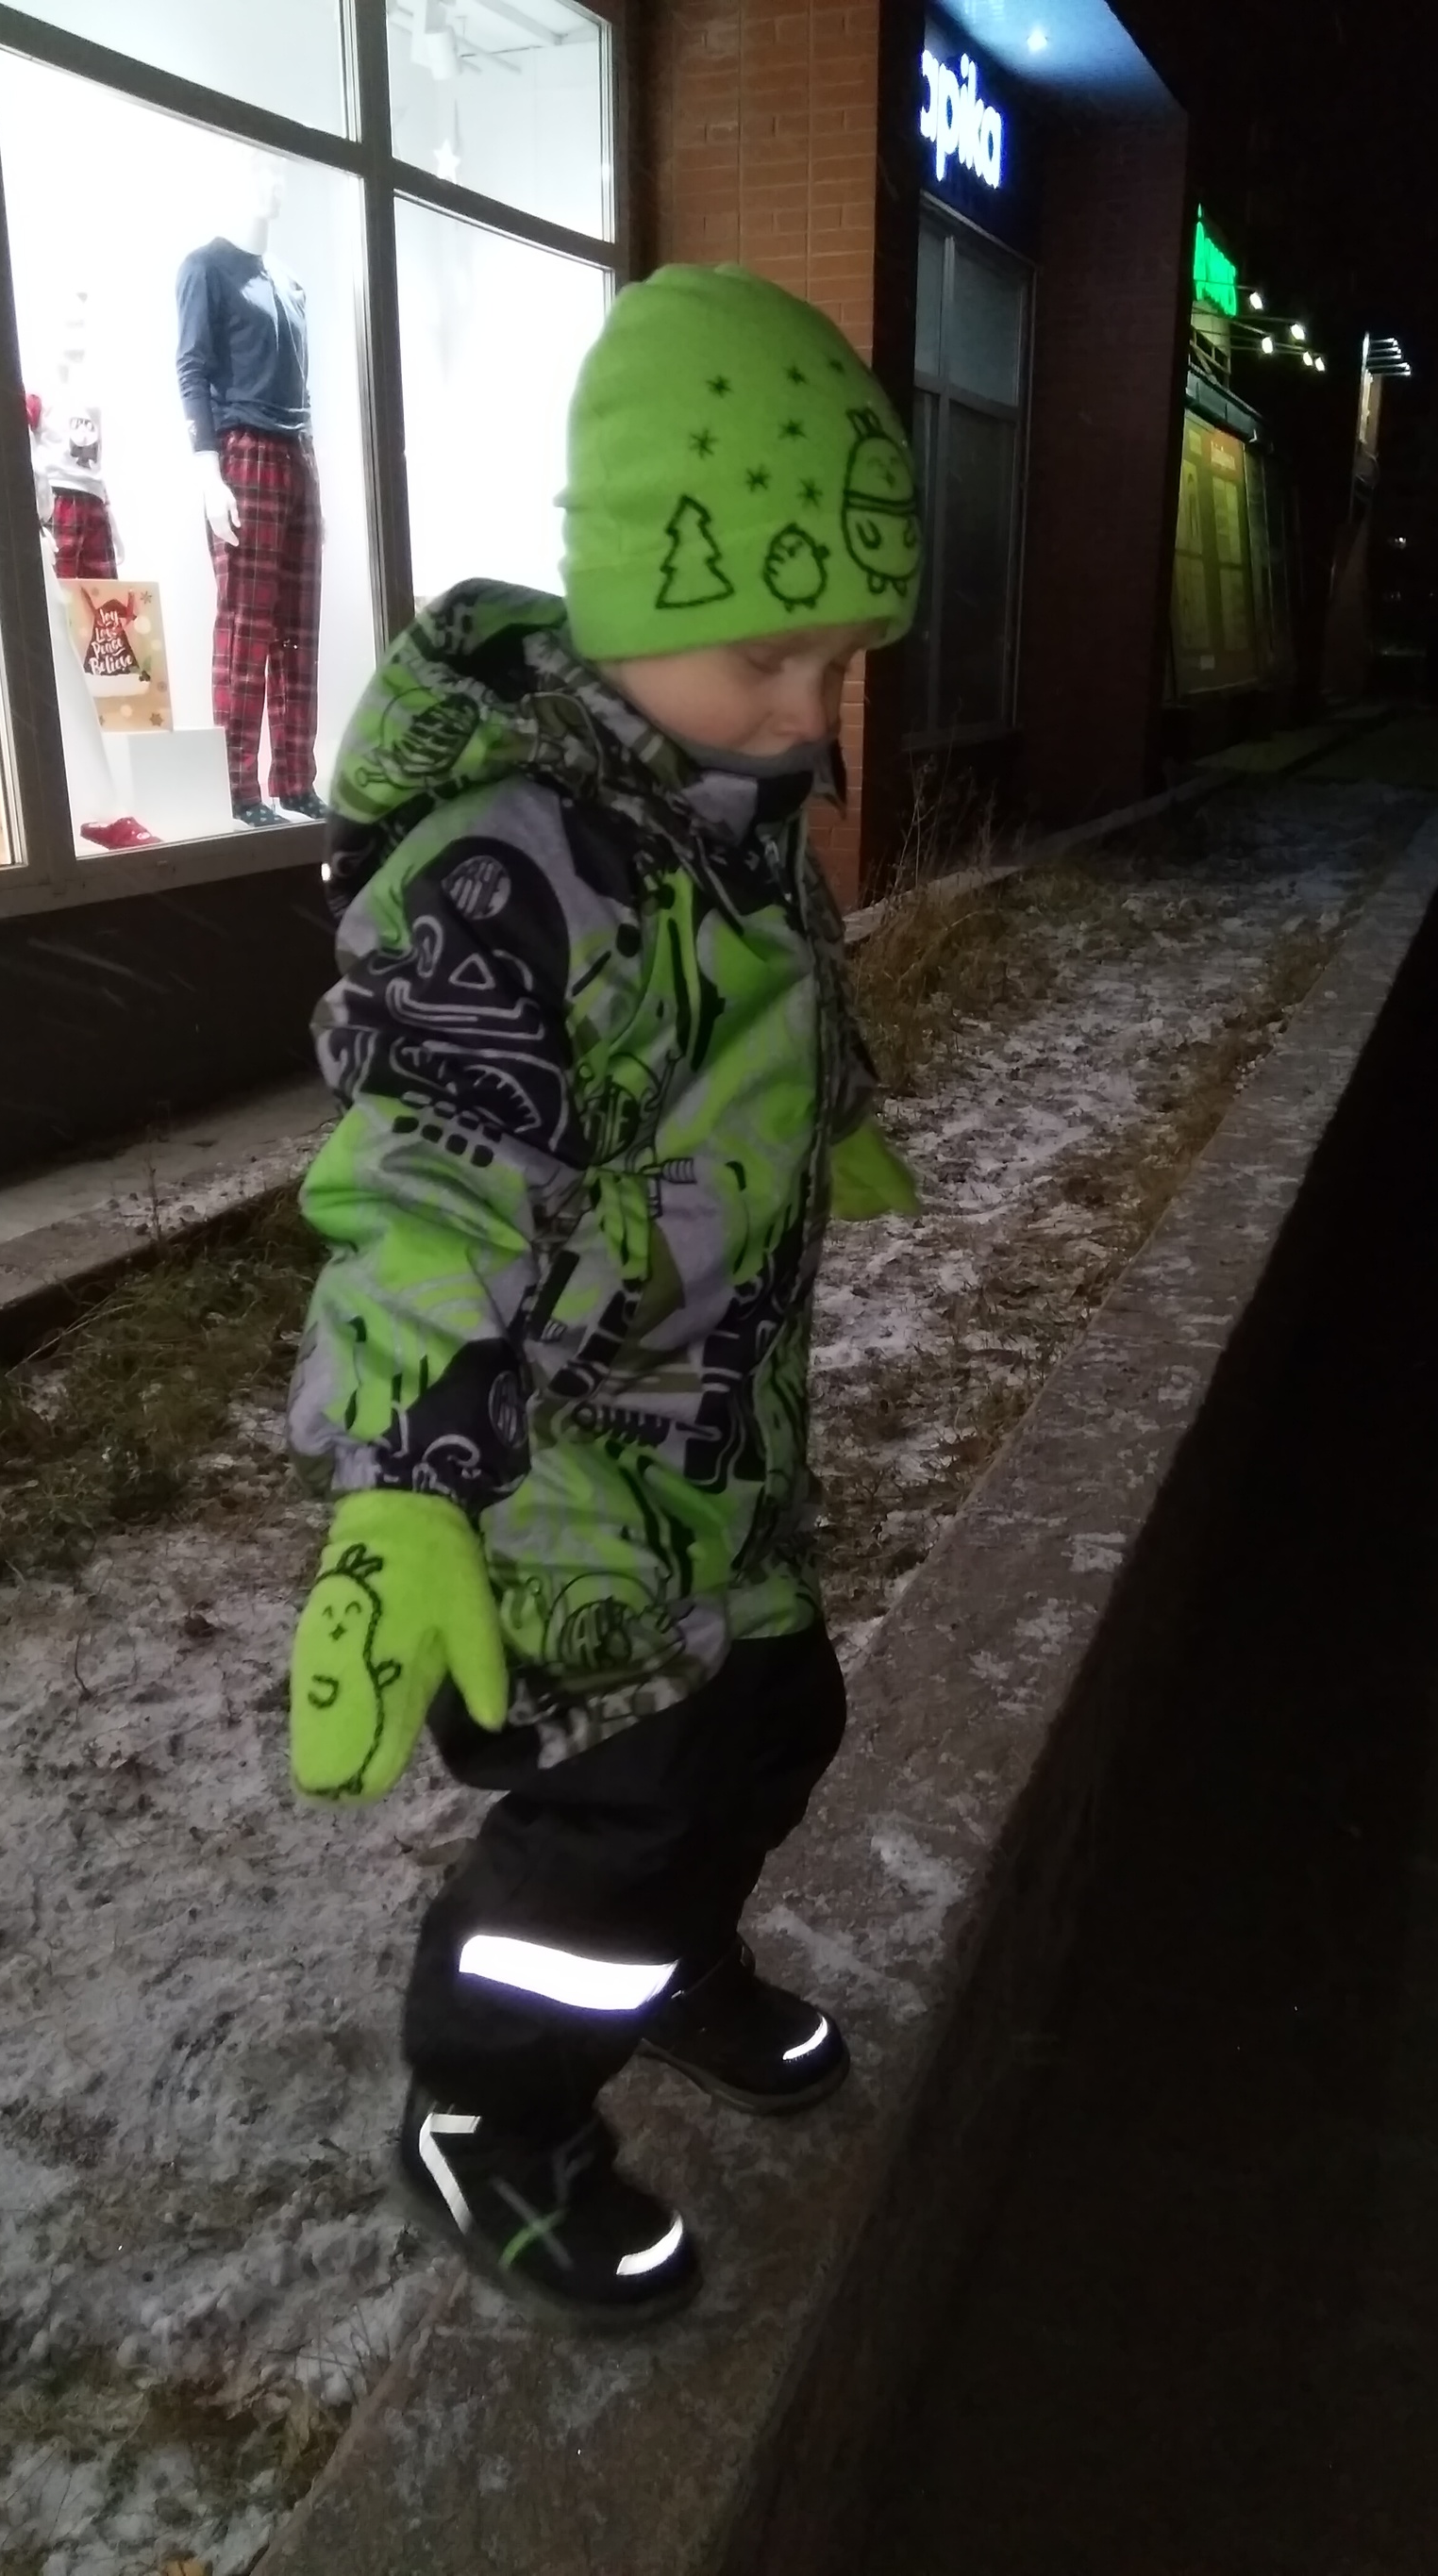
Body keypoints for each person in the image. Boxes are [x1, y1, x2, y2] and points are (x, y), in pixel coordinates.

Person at [283, 264, 922, 2326]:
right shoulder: (509, 872)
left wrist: (828, 1123)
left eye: (842, 657)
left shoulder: (716, 809)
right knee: (621, 1804)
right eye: (773, 653)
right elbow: (423, 1192)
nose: (818, 709)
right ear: (638, 595)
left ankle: (664, 1963)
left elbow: (737, 1029)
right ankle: (493, 2100)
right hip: (547, 1460)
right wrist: (400, 1481)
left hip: (714, 1431)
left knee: (779, 1717)